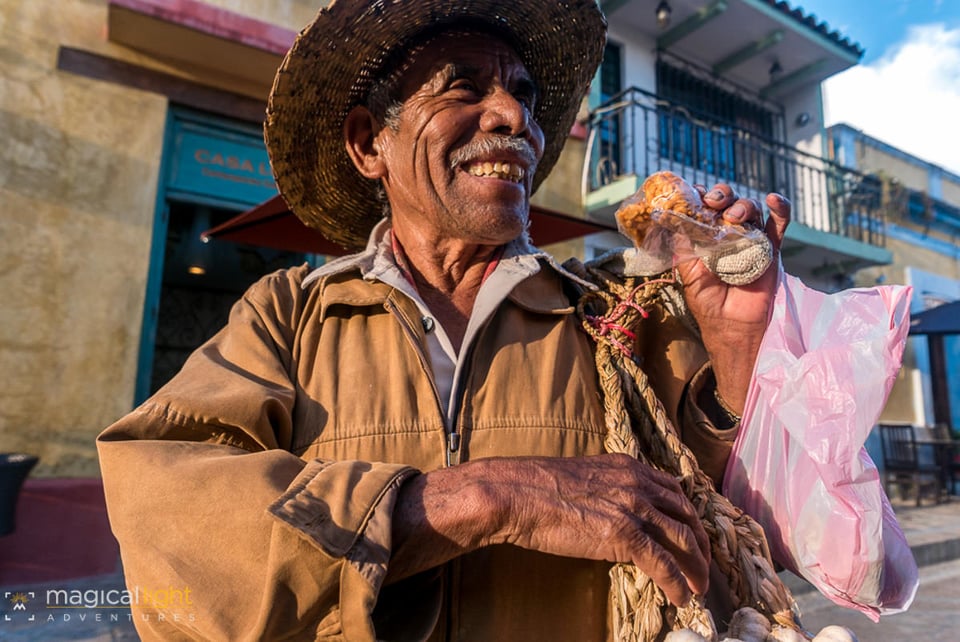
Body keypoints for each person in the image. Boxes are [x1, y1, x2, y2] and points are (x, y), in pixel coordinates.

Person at [97, 1, 791, 640]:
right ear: (371, 144)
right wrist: (478, 497)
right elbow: (166, 530)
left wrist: (734, 349)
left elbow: (730, 520)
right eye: (463, 87)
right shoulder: (289, 316)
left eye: (524, 94)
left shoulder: (611, 316)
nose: (514, 117)